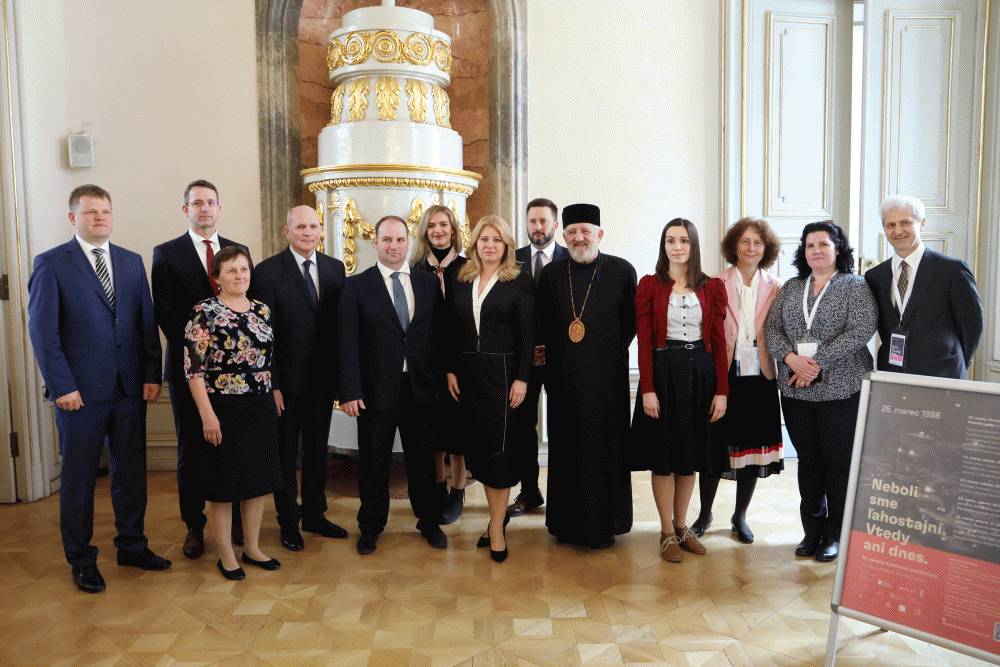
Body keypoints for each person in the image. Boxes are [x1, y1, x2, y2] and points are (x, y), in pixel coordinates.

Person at [28, 184, 170, 593]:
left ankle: (132, 544)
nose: (100, 218)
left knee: (131, 473)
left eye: (105, 211)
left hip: (129, 389)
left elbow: (146, 324)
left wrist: (150, 375)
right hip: (79, 396)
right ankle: (81, 558)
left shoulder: (129, 261)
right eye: (91, 212)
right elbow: (43, 334)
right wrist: (62, 387)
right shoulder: (52, 264)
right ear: (73, 217)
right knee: (80, 477)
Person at [765, 221, 877, 563]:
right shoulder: (792, 286)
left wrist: (814, 363)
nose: (816, 250)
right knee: (809, 462)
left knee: (837, 464)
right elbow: (772, 328)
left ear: (838, 249)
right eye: (810, 245)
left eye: (823, 244)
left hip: (841, 390)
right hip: (797, 392)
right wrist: (790, 359)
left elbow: (862, 329)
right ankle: (811, 531)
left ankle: (834, 534)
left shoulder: (854, 286)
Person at [338, 215, 448, 555]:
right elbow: (347, 343)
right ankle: (371, 526)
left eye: (400, 240)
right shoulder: (356, 286)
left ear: (409, 242)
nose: (393, 246)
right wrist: (350, 391)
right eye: (386, 240)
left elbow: (439, 338)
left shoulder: (428, 285)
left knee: (422, 462)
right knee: (374, 463)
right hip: (374, 392)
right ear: (376, 244)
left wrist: (442, 381)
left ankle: (429, 521)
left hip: (420, 389)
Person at [152, 179, 246, 559]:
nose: (204, 208)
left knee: (233, 446)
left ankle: (237, 518)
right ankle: (194, 524)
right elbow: (166, 312)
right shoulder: (167, 253)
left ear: (219, 208)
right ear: (185, 209)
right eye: (197, 203)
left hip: (234, 373)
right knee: (192, 448)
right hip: (187, 369)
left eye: (211, 202)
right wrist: (201, 350)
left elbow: (243, 302)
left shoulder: (237, 251)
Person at [537, 203, 637, 549]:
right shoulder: (550, 275)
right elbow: (545, 327)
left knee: (604, 451)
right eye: (572, 232)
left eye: (585, 231)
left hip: (608, 382)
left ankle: (605, 524)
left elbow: (630, 325)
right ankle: (566, 524)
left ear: (600, 234)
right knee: (567, 450)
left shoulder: (623, 272)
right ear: (563, 237)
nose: (579, 238)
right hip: (564, 381)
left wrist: (602, 354)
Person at [249, 206, 347, 551]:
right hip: (285, 385)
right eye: (300, 226)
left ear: (321, 231)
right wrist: (272, 383)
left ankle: (315, 515)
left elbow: (339, 330)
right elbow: (262, 335)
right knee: (286, 455)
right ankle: (288, 521)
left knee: (318, 452)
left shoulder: (336, 269)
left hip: (322, 383)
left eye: (313, 226)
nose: (308, 232)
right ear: (286, 231)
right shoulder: (267, 272)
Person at [631, 218, 729, 562]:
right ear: (664, 246)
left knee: (688, 458)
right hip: (663, 371)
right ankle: (666, 531)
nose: (677, 247)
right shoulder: (649, 286)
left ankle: (682, 523)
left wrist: (722, 391)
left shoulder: (712, 287)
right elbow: (644, 343)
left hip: (700, 374)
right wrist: (647, 389)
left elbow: (718, 341)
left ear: (693, 246)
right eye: (670, 240)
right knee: (664, 458)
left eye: (684, 241)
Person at [184, 246, 284, 580]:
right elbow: (193, 371)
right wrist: (207, 416)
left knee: (256, 481)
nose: (239, 275)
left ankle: (252, 548)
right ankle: (226, 554)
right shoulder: (205, 312)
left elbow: (269, 360)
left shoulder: (263, 310)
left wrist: (272, 393)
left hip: (259, 405)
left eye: (244, 269)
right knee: (224, 485)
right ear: (217, 278)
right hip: (222, 407)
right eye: (231, 270)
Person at [445, 215, 534, 562]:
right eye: (484, 239)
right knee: (479, 453)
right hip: (468, 375)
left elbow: (528, 335)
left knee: (500, 454)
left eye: (497, 239)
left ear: (507, 245)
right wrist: (451, 368)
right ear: (474, 244)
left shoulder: (518, 280)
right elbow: (451, 329)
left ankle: (496, 527)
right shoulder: (461, 278)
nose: (490, 245)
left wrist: (523, 378)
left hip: (503, 374)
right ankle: (496, 518)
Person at [690, 218, 784, 545]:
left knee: (751, 449)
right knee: (714, 447)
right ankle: (704, 514)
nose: (751, 248)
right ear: (734, 246)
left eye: (757, 242)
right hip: (723, 373)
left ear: (766, 248)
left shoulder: (777, 285)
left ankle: (739, 516)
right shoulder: (714, 283)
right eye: (745, 241)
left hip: (759, 375)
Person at [865, 194, 984, 379]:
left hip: (943, 374)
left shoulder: (952, 269)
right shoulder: (875, 276)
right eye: (891, 225)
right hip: (892, 373)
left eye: (905, 223)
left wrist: (957, 361)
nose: (898, 231)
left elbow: (972, 326)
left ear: (922, 224)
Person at [507, 197, 567, 518]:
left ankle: (562, 494)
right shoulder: (511, 260)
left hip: (560, 361)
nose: (538, 227)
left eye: (544, 221)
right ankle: (529, 493)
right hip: (522, 362)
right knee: (522, 429)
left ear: (555, 224)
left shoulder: (571, 259)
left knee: (561, 426)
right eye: (532, 221)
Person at [410, 204, 469, 524]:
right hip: (426, 365)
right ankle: (437, 486)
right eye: (432, 225)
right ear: (425, 231)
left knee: (457, 433)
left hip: (458, 364)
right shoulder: (416, 268)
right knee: (431, 432)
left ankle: (458, 490)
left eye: (443, 224)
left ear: (453, 229)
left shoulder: (466, 268)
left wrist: (454, 367)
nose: (438, 230)